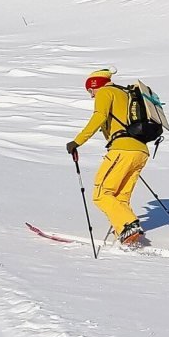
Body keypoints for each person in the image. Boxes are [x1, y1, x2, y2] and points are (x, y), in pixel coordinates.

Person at [66, 68, 152, 248]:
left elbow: (99, 117)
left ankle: (129, 224)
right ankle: (126, 234)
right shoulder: (126, 93)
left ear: (96, 85)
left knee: (101, 194)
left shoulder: (105, 92)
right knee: (120, 196)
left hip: (122, 149)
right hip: (140, 151)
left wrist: (77, 142)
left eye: (90, 91)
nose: (91, 96)